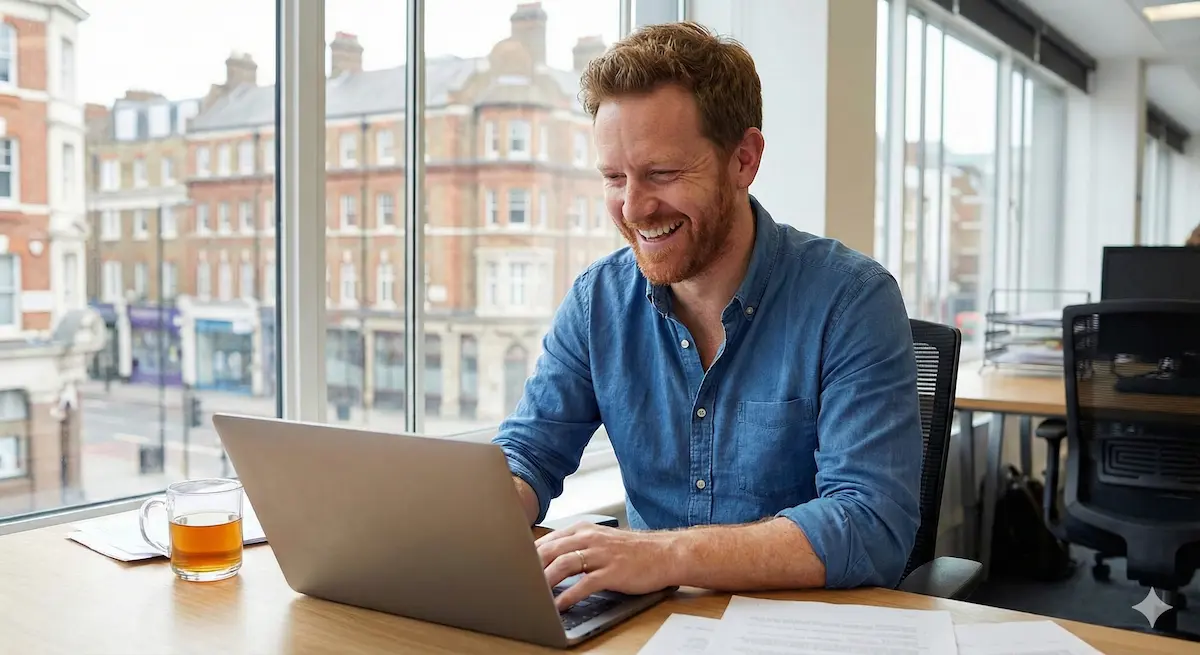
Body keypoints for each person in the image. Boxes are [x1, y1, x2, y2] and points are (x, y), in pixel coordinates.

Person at [493, 21, 923, 611]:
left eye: (663, 174)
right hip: (647, 625)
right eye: (614, 178)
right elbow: (529, 454)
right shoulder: (598, 301)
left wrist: (664, 556)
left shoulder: (852, 300)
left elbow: (872, 525)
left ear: (743, 160)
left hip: (802, 630)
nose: (635, 208)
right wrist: (479, 514)